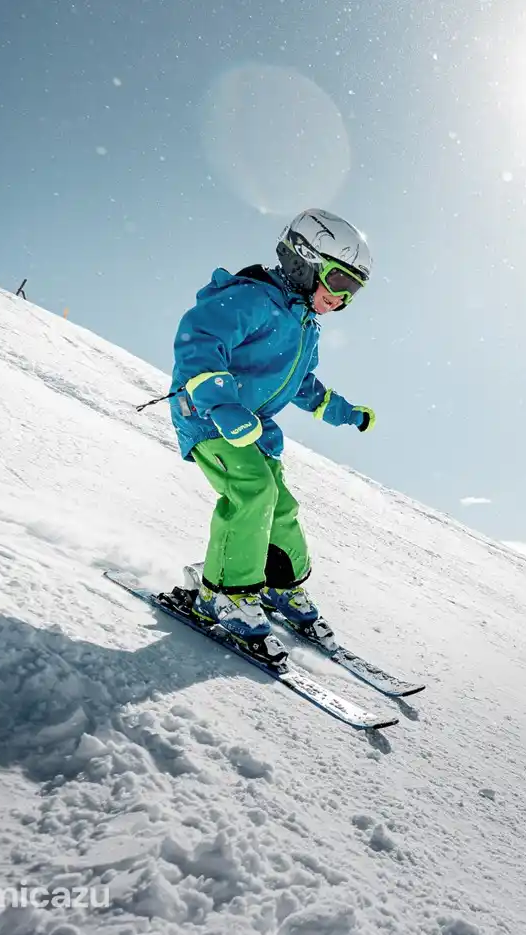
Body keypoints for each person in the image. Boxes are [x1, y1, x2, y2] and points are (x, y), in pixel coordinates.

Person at [167, 208, 376, 659]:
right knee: (253, 491)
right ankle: (223, 593)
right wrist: (220, 402)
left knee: (281, 507)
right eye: (339, 283)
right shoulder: (251, 299)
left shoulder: (304, 326)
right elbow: (199, 338)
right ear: (304, 259)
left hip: (255, 429)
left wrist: (346, 413)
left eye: (353, 291)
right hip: (208, 417)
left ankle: (278, 586)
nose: (343, 299)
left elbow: (303, 385)